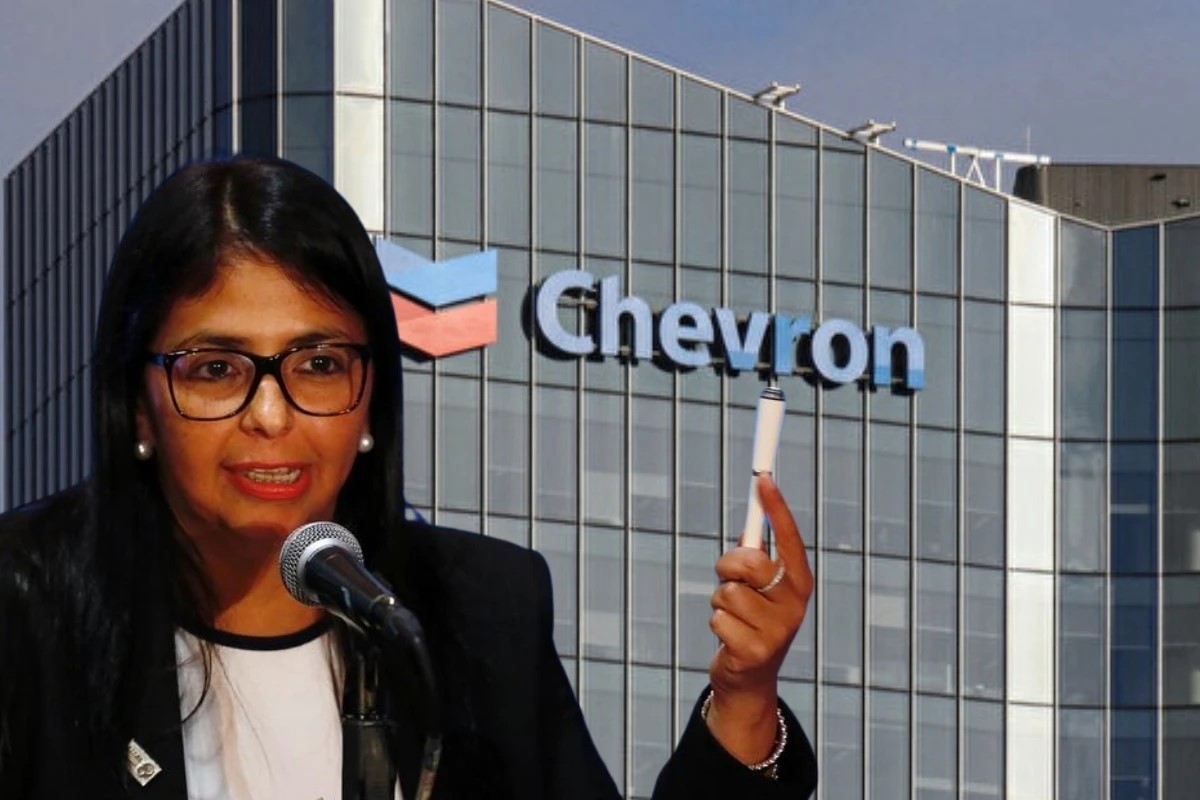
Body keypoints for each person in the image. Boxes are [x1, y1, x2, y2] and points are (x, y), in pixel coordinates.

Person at [0, 156, 817, 799]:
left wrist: (744, 697)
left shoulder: (475, 610)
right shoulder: (24, 606)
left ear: (371, 400)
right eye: (216, 368)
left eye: (319, 364)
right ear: (138, 408)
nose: (272, 416)